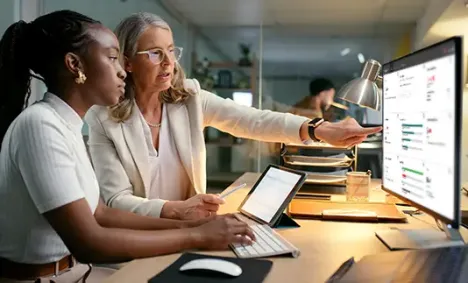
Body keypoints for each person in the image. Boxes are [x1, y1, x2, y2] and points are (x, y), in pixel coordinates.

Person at [0, 10, 253, 283]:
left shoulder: (66, 125)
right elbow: (90, 243)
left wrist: (192, 224)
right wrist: (197, 236)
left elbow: (102, 214)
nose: (122, 70)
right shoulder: (40, 126)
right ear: (75, 65)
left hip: (76, 272)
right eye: (111, 58)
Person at [84, 12, 382, 221]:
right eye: (154, 53)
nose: (169, 63)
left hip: (191, 230)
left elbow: (253, 120)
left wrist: (320, 130)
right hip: (141, 239)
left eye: (172, 51)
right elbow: (116, 201)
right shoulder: (103, 119)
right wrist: (177, 209)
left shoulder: (189, 98)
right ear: (127, 62)